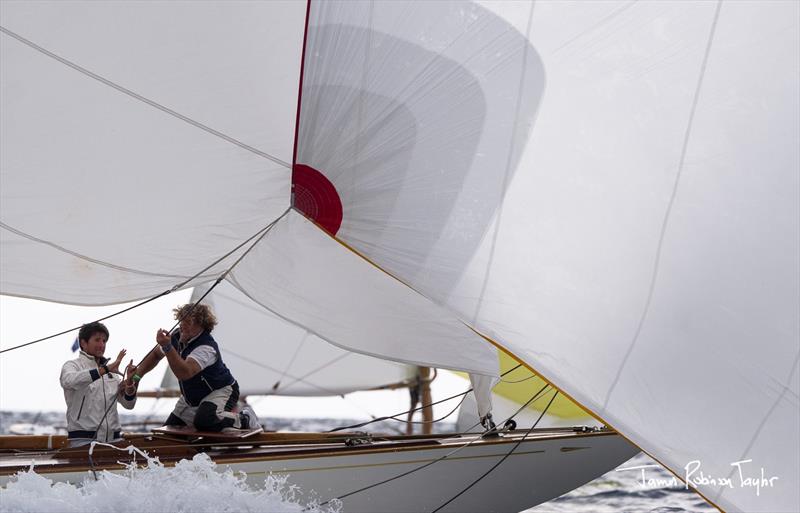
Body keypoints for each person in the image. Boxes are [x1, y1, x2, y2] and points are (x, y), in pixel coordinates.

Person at [133, 303, 257, 432]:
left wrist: (168, 347)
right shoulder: (176, 336)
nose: (182, 325)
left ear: (201, 325)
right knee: (169, 432)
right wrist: (137, 377)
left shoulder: (206, 348)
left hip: (220, 390)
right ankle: (197, 447)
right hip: (192, 398)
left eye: (188, 322)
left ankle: (245, 419)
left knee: (204, 420)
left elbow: (185, 373)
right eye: (181, 320)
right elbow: (155, 355)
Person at [60, 321, 137, 447]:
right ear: (83, 343)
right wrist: (105, 370)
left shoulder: (111, 372)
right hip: (83, 441)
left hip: (114, 440)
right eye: (97, 340)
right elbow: (69, 381)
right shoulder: (72, 366)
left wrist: (129, 385)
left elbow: (129, 405)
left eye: (104, 341)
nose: (102, 345)